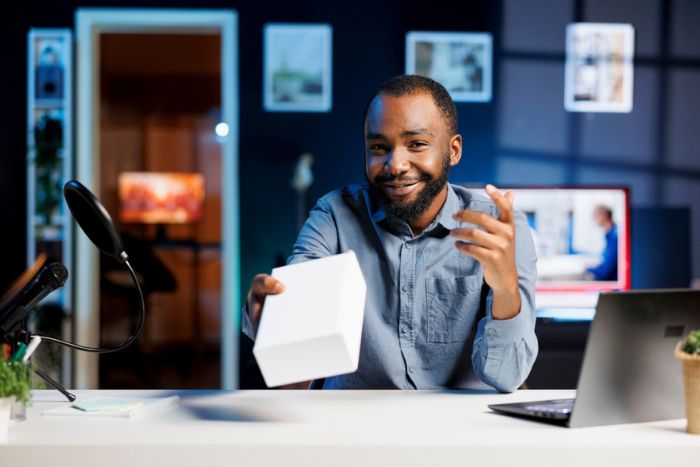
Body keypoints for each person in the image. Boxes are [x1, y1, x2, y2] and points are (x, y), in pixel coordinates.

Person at [242, 75, 538, 392]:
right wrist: (276, 326)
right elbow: (296, 381)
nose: (395, 165)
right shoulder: (334, 216)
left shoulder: (500, 228)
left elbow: (508, 377)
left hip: (461, 434)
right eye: (379, 147)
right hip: (356, 431)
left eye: (417, 144)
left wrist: (506, 288)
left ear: (453, 150)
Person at [586, 205, 618, 281]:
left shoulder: (614, 237)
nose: (594, 220)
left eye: (596, 216)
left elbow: (605, 272)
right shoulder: (610, 235)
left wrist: (588, 268)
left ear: (603, 216)